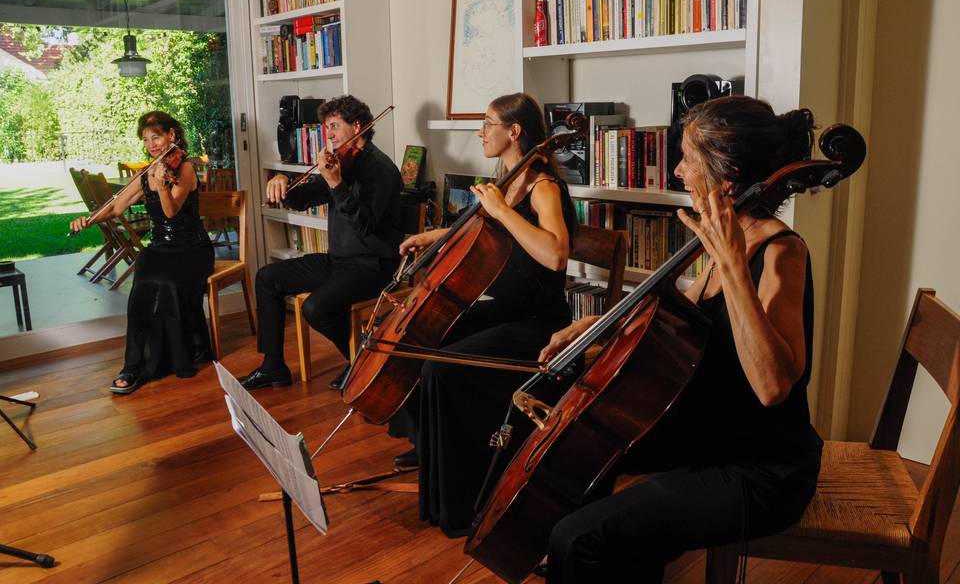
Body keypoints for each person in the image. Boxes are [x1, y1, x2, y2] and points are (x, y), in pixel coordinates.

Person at [538, 95, 823, 582]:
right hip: (708, 431)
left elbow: (773, 386)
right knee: (577, 440)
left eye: (688, 158)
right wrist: (599, 327)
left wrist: (733, 265)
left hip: (760, 470)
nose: (676, 171)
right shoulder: (720, 238)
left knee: (580, 539)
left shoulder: (781, 253)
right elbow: (679, 320)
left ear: (726, 179)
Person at [395, 92, 579, 538]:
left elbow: (555, 255)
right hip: (506, 313)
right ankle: (436, 463)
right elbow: (482, 228)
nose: (480, 131)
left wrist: (500, 210)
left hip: (538, 323)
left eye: (487, 123)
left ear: (514, 131)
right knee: (419, 343)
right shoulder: (507, 179)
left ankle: (468, 497)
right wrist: (435, 236)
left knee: (442, 370)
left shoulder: (543, 187)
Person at [239, 95, 403, 390]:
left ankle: (361, 363)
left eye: (334, 126)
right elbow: (307, 197)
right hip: (339, 262)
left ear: (357, 126)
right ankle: (273, 366)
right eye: (326, 128)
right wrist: (282, 185)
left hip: (374, 266)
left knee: (316, 308)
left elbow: (364, 224)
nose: (328, 134)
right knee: (267, 278)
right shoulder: (341, 162)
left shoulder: (381, 170)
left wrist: (336, 183)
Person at [70, 111, 214, 394]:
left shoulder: (184, 168)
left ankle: (181, 354)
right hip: (160, 248)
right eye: (146, 140)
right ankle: (134, 367)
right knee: (141, 289)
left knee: (169, 284)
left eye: (156, 137)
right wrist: (88, 219)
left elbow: (171, 212)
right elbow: (116, 207)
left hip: (191, 249)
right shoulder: (146, 172)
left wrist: (161, 185)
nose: (152, 144)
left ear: (171, 135)